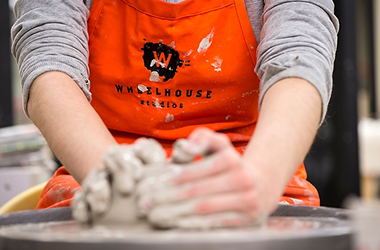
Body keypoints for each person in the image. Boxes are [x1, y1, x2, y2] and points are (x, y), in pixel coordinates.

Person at [11, 0, 339, 226]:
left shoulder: (257, 176)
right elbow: (49, 58)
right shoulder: (107, 175)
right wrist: (119, 186)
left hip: (249, 166)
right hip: (101, 166)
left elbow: (301, 55)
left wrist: (260, 180)